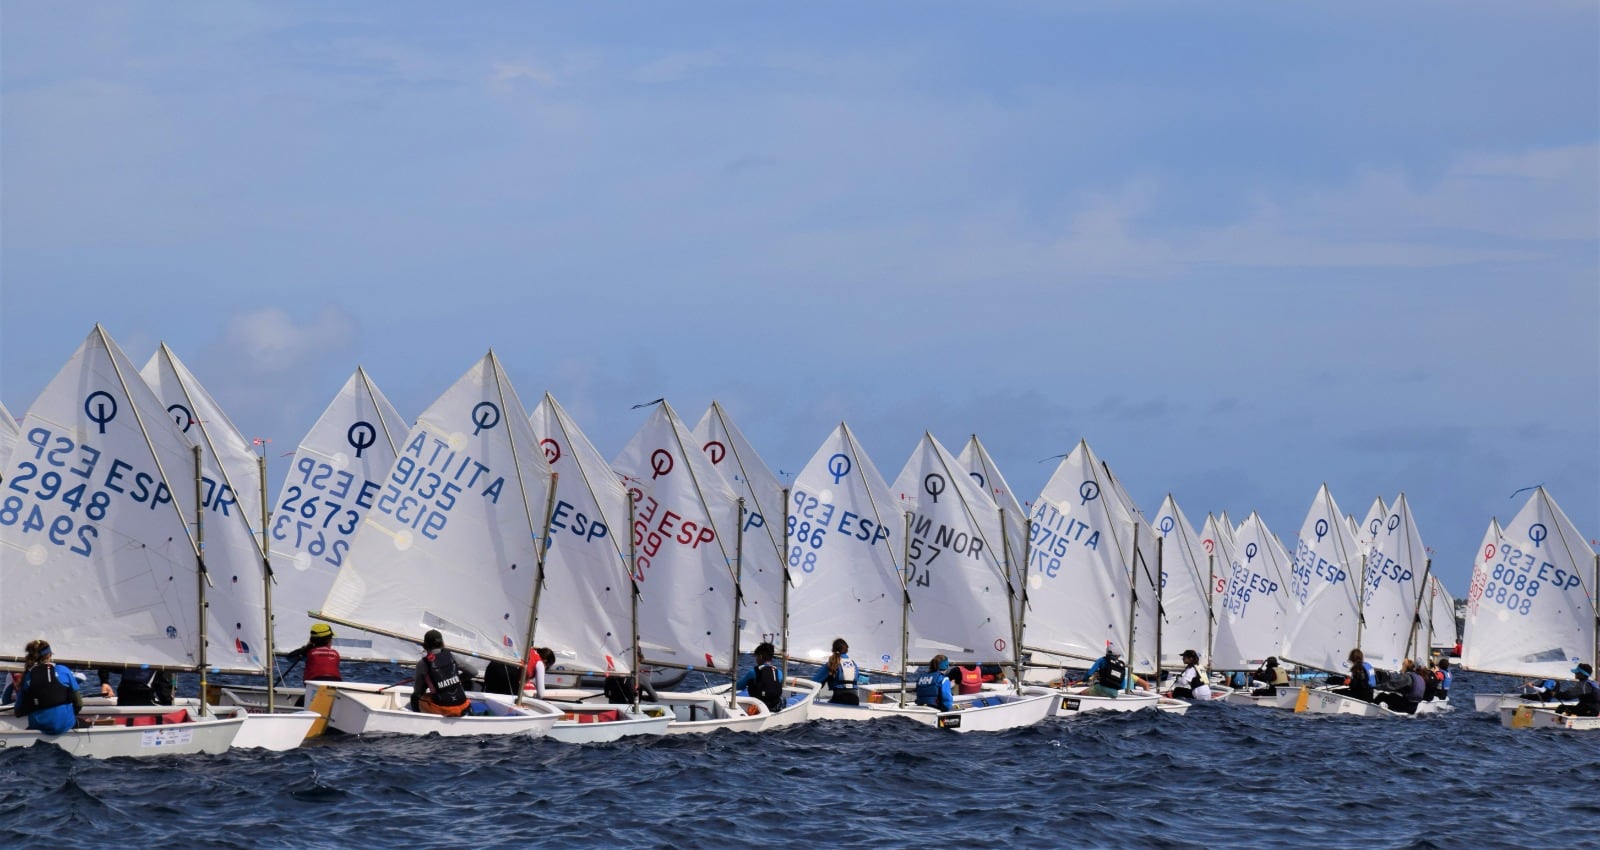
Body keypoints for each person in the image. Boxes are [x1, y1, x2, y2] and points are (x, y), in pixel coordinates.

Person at [14, 639, 81, 734]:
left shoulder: (27, 676)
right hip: (66, 725)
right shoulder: (63, 670)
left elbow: (18, 712)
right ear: (49, 655)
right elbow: (79, 703)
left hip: (38, 728)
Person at [409, 629, 472, 716]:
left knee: (415, 697)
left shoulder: (423, 663)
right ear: (442, 642)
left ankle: (418, 721)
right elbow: (473, 672)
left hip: (444, 709)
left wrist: (427, 684)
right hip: (463, 706)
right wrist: (456, 680)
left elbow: (418, 691)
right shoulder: (452, 656)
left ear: (425, 645)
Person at [737, 642, 785, 712]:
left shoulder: (752, 672)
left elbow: (739, 686)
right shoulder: (779, 673)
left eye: (756, 656)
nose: (756, 659)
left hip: (758, 706)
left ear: (761, 656)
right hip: (774, 706)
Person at [811, 638, 860, 705]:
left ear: (833, 649)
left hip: (839, 699)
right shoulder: (854, 664)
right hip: (855, 700)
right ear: (846, 650)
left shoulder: (832, 663)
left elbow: (814, 682)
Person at [97, 665, 174, 706]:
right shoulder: (161, 665)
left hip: (123, 702)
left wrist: (105, 682)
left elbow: (105, 665)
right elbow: (164, 695)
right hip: (145, 704)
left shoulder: (128, 660)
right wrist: (168, 703)